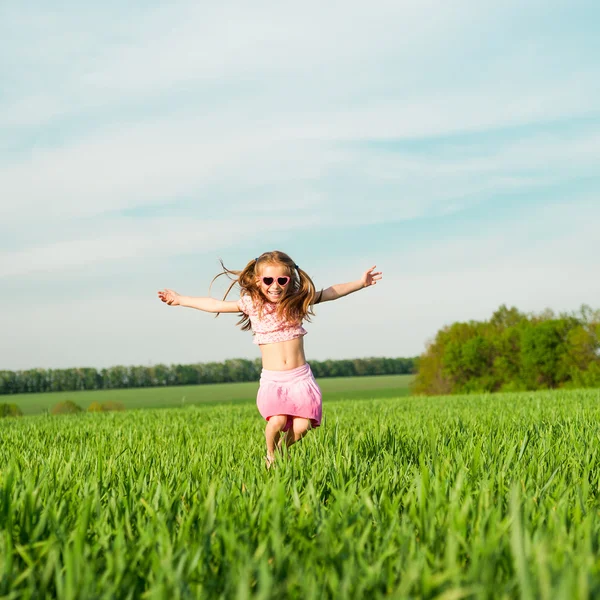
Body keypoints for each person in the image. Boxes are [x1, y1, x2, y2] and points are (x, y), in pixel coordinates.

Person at [157, 250, 382, 468]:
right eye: (268, 280)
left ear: (290, 280)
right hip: (274, 380)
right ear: (257, 281)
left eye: (282, 280)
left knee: (303, 426)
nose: (275, 286)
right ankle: (271, 456)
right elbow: (214, 304)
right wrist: (180, 299)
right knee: (277, 421)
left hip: (300, 378)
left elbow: (330, 292)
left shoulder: (295, 301)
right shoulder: (252, 305)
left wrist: (360, 283)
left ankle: (283, 450)